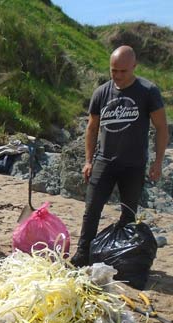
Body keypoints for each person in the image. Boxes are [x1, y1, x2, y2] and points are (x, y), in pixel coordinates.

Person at [71, 45, 169, 267]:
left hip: (134, 165)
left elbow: (162, 128)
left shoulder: (148, 91)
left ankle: (121, 256)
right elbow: (92, 128)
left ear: (134, 67)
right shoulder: (101, 92)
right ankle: (82, 254)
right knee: (91, 209)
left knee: (128, 215)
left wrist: (158, 162)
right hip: (104, 161)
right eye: (113, 70)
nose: (117, 76)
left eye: (123, 71)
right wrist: (88, 161)